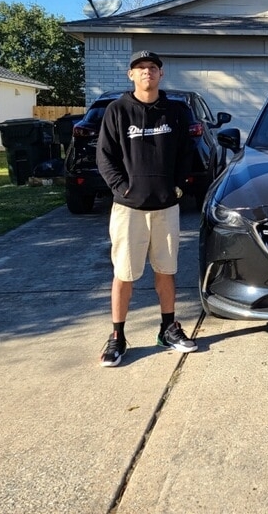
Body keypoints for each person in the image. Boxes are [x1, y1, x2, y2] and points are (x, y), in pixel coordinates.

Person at [96, 50, 198, 367]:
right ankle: (117, 337)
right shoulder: (117, 111)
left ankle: (168, 328)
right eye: (140, 69)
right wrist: (121, 188)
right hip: (129, 209)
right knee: (124, 273)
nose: (146, 73)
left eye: (152, 68)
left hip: (166, 207)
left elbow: (187, 154)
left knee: (166, 270)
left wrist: (179, 187)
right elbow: (105, 157)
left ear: (160, 74)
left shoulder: (176, 112)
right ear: (131, 75)